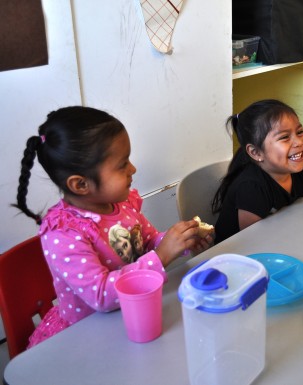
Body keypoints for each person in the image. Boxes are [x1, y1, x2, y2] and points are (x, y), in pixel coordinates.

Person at [12, 106, 214, 347]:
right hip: (85, 337)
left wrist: (179, 242)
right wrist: (162, 256)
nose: (133, 169)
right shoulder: (64, 232)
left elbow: (147, 243)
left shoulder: (121, 205)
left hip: (132, 317)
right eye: (122, 164)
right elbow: (99, 295)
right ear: (80, 184)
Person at [212, 99, 303, 243]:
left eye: (300, 132)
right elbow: (254, 242)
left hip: (282, 238)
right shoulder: (251, 188)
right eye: (284, 137)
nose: (299, 142)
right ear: (256, 153)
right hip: (239, 255)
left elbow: (296, 216)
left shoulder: (300, 174)